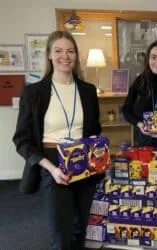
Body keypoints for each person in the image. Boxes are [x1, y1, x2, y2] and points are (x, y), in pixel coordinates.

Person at [13, 31, 102, 250]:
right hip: (52, 161)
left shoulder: (88, 91)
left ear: (76, 56)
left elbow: (95, 129)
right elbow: (22, 139)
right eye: (59, 51)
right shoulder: (33, 92)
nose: (65, 56)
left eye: (70, 51)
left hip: (84, 161)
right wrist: (51, 169)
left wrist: (98, 155)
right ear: (49, 55)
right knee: (60, 232)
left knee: (80, 227)